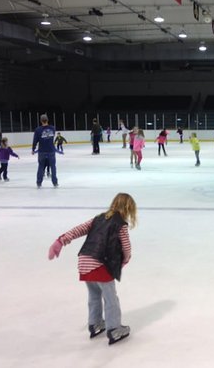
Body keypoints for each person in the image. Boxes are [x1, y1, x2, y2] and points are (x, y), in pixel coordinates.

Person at [47, 193, 136, 345]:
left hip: (84, 262)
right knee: (110, 298)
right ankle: (114, 329)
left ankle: (95, 324)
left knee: (94, 294)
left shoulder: (98, 218)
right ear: (128, 209)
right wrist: (126, 259)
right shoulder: (120, 223)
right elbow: (126, 246)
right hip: (101, 263)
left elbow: (79, 229)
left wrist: (60, 241)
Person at [32, 114, 58, 188]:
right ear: (47, 120)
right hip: (51, 151)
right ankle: (55, 182)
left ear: (40, 121)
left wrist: (33, 149)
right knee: (53, 167)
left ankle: (39, 182)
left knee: (41, 166)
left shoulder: (38, 130)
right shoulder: (53, 128)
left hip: (42, 151)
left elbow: (35, 141)